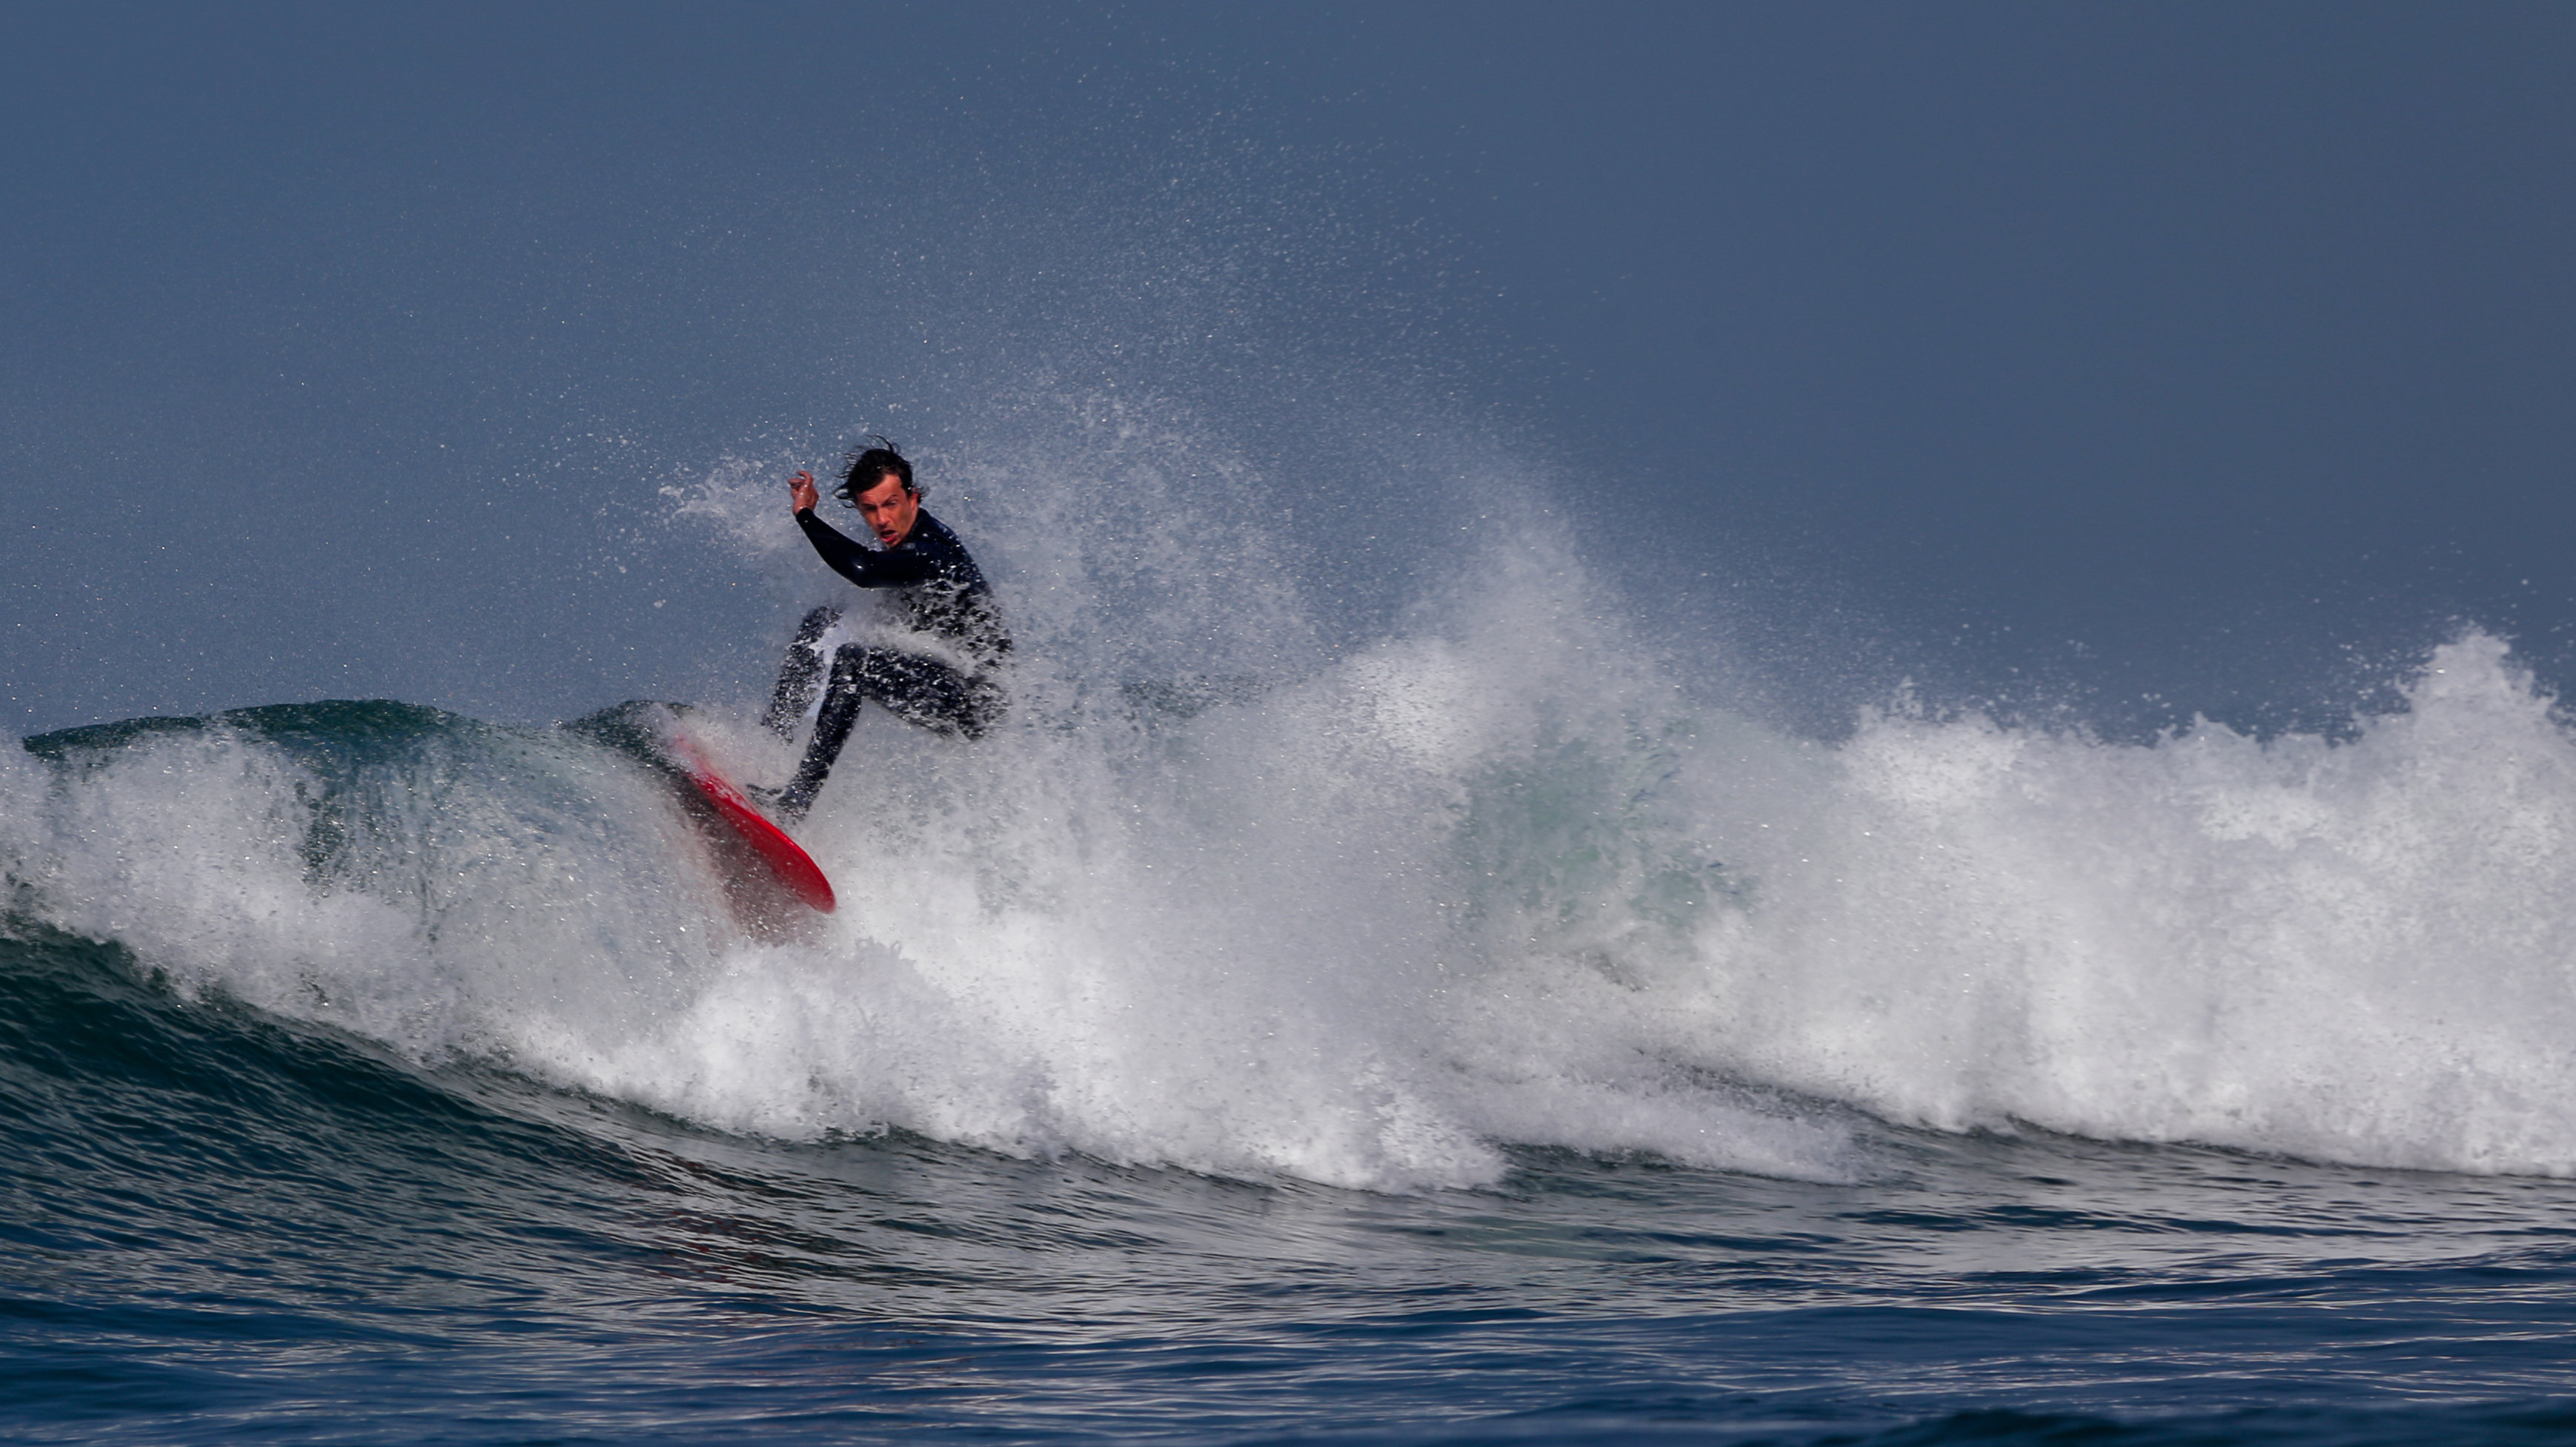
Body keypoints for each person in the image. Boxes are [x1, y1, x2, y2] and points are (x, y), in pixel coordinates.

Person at [757, 440, 1009, 821]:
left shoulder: (932, 551)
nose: (882, 521)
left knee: (854, 663)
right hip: (939, 673)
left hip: (975, 705)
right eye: (869, 509)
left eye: (891, 505)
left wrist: (806, 515)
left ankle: (796, 803)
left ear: (913, 499)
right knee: (821, 622)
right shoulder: (901, 544)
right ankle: (767, 745)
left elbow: (866, 572)